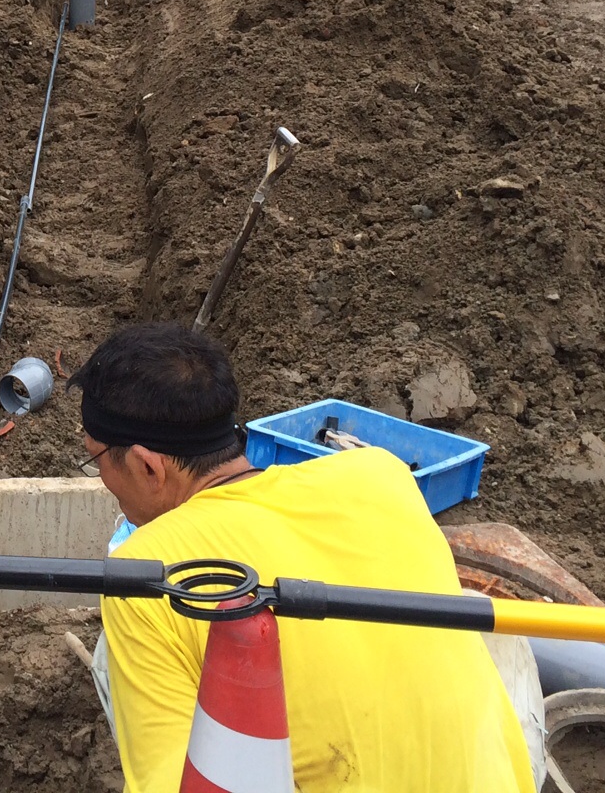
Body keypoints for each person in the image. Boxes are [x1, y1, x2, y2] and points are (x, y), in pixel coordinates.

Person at [73, 323, 533, 792]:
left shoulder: (149, 575)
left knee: (110, 657)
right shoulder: (381, 476)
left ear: (148, 466)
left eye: (98, 459)